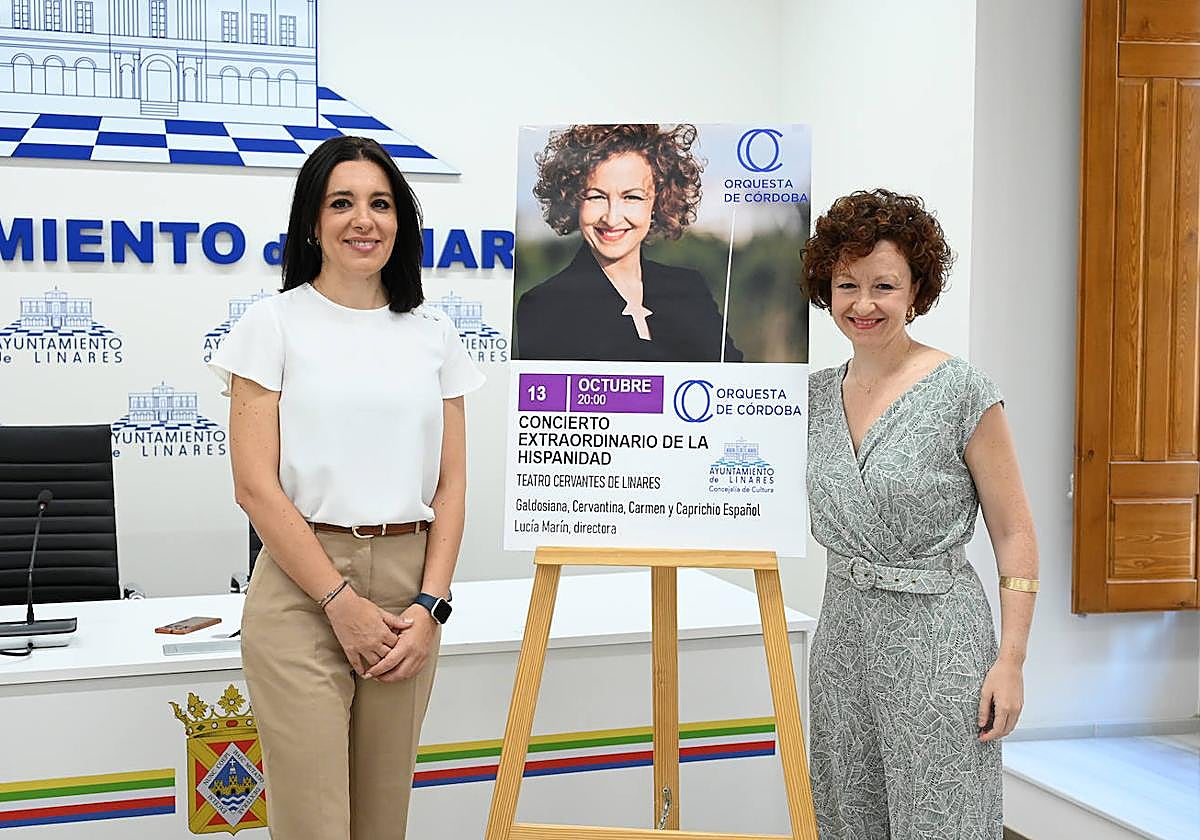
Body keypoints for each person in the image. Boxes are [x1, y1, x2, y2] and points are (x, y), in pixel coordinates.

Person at [208, 136, 483, 840]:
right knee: (315, 824)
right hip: (304, 593)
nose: (364, 220)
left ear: (401, 222)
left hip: (407, 595)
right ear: (312, 221)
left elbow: (451, 486)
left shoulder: (434, 331)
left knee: (382, 821)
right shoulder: (271, 325)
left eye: (380, 204)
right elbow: (254, 488)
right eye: (342, 203)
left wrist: (431, 606)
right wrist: (339, 600)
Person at [801, 189, 1037, 839]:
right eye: (847, 284)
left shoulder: (961, 389)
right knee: (849, 815)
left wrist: (1011, 661)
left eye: (884, 284)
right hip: (843, 642)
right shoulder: (813, 397)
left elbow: (1014, 531)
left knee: (943, 818)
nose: (863, 304)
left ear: (916, 290)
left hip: (940, 645)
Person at [515, 123, 743, 362]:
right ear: (574, 202)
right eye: (596, 197)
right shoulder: (545, 306)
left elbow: (730, 384)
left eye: (632, 197)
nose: (612, 218)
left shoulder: (689, 289)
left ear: (658, 201)